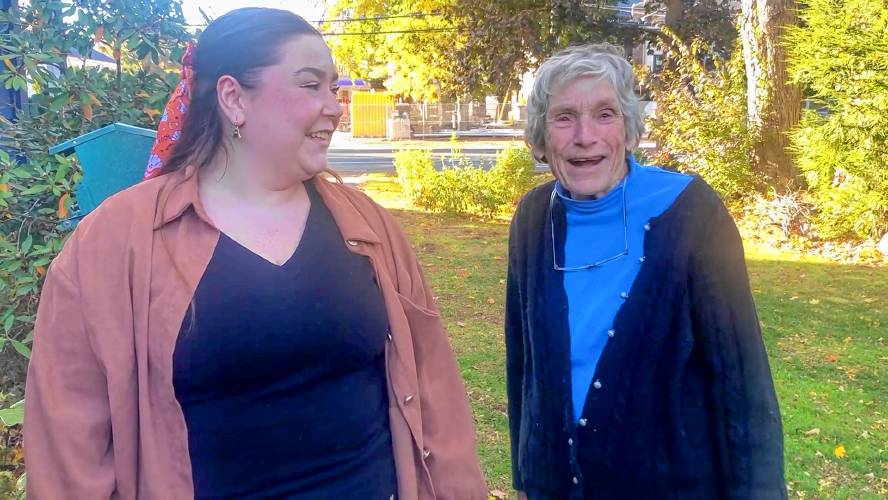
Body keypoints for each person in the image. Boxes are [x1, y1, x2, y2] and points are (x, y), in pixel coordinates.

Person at [25, 8, 487, 499]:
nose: (335, 106)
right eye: (311, 85)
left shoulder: (369, 227)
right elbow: (69, 443)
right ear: (233, 98)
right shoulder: (115, 242)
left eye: (333, 87)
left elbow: (437, 398)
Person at [505, 43, 785, 499]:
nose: (584, 135)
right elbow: (524, 360)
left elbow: (741, 377)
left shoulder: (691, 213)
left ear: (630, 130)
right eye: (563, 118)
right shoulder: (533, 219)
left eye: (605, 114)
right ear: (541, 136)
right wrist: (526, 474)